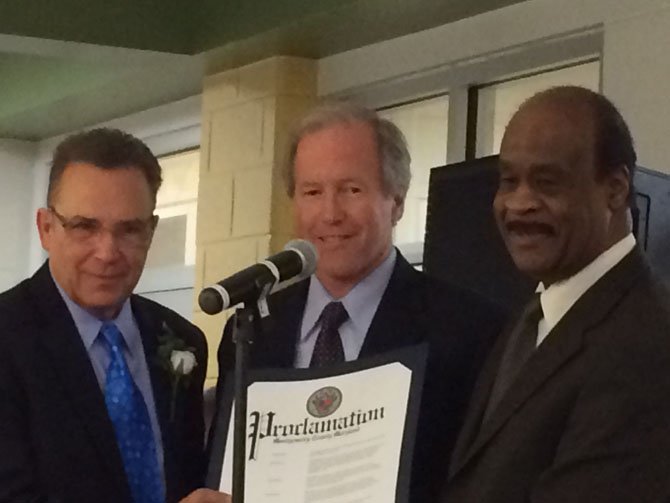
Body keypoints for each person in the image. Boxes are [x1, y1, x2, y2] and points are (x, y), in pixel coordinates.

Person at [198, 102, 505, 503]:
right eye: (312, 192)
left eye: (351, 190)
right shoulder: (253, 330)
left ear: (396, 202)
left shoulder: (469, 330)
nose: (330, 213)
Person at [441, 86, 670, 502]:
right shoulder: (535, 316)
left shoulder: (645, 344)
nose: (519, 203)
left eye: (547, 183)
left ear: (616, 189)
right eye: (509, 181)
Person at [0, 129, 208, 503]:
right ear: (46, 228)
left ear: (151, 231)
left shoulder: (181, 339)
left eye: (129, 230)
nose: (107, 252)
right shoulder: (8, 338)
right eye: (85, 226)